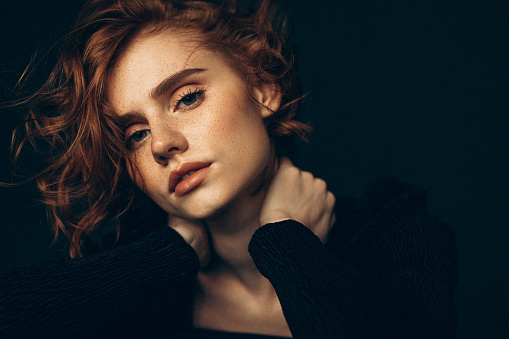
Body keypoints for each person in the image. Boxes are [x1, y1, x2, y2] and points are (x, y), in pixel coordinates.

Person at [0, 0, 458, 337]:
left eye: (187, 98)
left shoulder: (394, 232)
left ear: (263, 89)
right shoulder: (137, 280)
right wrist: (168, 254)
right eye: (134, 134)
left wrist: (285, 242)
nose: (161, 143)